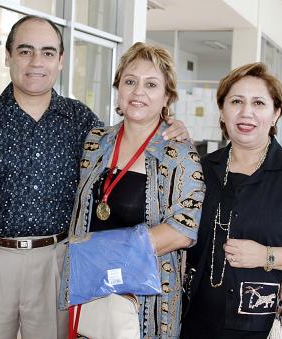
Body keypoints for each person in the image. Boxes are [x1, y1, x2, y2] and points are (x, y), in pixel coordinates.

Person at [0, 15, 189, 339]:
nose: (36, 62)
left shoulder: (82, 121)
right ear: (8, 56)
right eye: (25, 51)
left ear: (60, 61)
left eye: (47, 53)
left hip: (57, 264)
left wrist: (170, 126)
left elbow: (131, 138)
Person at [180, 62, 282, 339]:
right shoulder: (199, 169)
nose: (246, 112)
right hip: (200, 321)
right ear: (222, 110)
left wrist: (266, 255)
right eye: (236, 101)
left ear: (276, 113)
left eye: (259, 103)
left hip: (269, 324)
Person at [59, 42, 205, 338]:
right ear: (118, 90)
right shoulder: (96, 141)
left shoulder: (179, 154)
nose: (138, 92)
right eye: (130, 81)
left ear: (167, 96)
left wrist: (98, 256)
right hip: (89, 290)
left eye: (151, 84)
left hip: (145, 302)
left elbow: (183, 230)